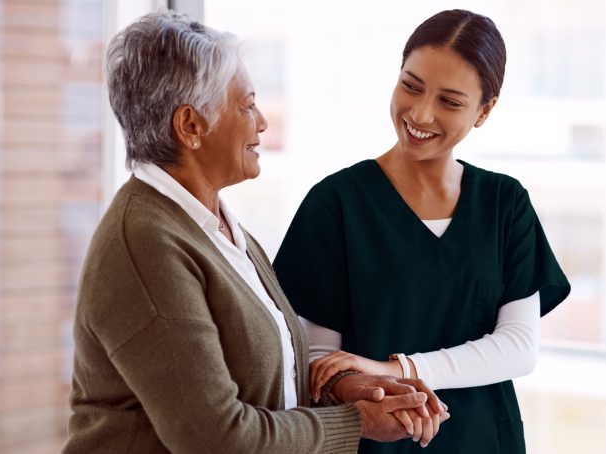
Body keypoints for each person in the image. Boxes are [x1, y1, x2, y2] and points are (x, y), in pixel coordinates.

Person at [62, 10, 448, 454]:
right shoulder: (146, 243)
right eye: (246, 105)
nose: (262, 121)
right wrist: (354, 421)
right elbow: (215, 438)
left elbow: (265, 381)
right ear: (191, 126)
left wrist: (343, 389)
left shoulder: (216, 227)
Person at [274, 9, 571, 454]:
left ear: (484, 111)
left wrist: (395, 368)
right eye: (411, 86)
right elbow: (319, 362)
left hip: (485, 439)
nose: (420, 113)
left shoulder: (504, 203)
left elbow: (518, 348)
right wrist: (365, 383)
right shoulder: (335, 203)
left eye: (450, 101)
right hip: (372, 443)